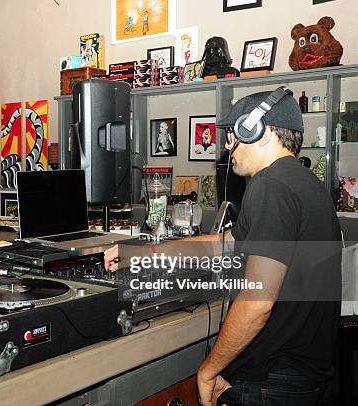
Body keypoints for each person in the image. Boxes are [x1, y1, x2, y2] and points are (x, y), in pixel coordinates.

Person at [106, 88, 342, 406]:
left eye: (233, 134)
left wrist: (209, 369)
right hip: (302, 376)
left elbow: (258, 303)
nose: (228, 145)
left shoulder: (270, 187)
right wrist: (144, 252)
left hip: (271, 382)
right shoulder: (304, 182)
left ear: (258, 131)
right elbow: (225, 242)